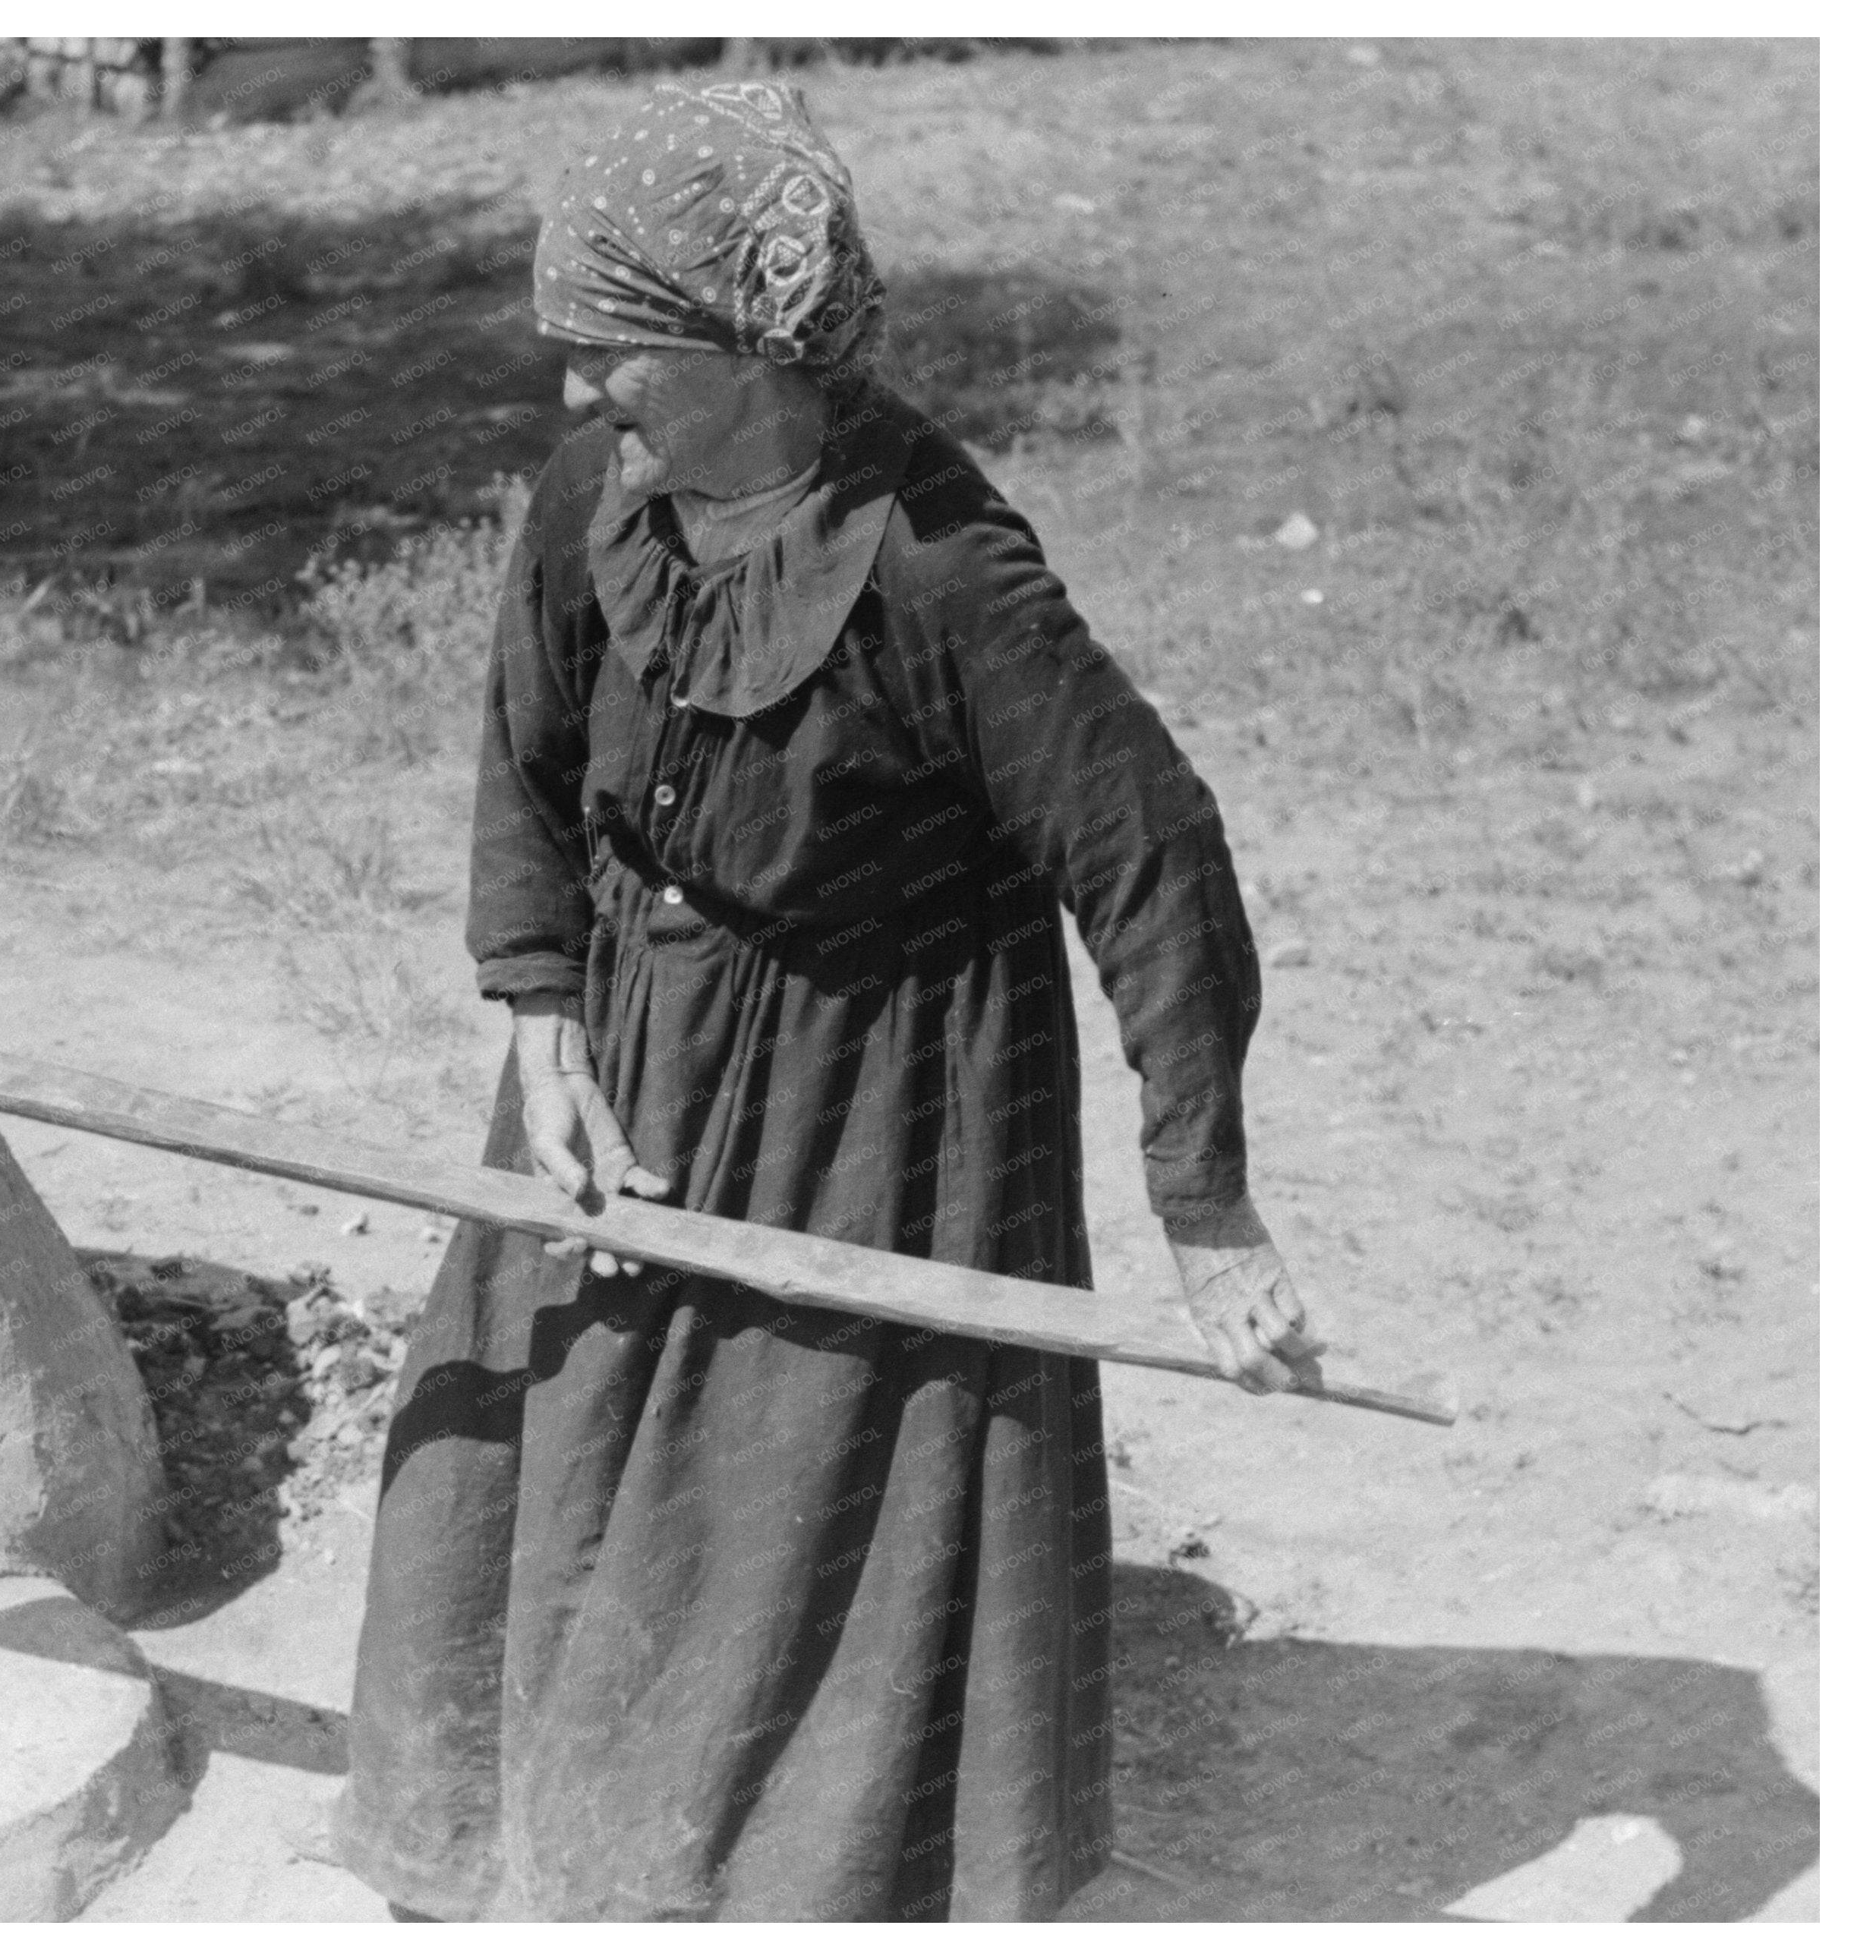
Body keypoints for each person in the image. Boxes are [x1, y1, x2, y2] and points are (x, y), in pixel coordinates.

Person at [325, 80, 1322, 1921]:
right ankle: (522, 1839)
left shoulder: (940, 577)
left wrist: (1208, 1205)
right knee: (521, 1435)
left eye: (608, 358)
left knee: (781, 1514)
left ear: (740, 348)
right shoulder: (591, 501)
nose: (571, 399)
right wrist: (541, 1021)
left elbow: (1152, 854)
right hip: (628, 1043)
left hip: (876, 1095)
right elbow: (527, 763)